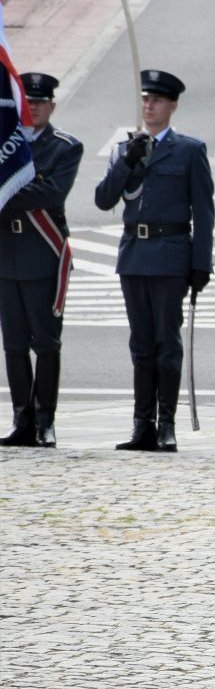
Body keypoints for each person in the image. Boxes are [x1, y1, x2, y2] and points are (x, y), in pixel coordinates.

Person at [94, 69, 214, 453]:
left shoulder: (189, 150)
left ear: (172, 106)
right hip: (134, 255)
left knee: (166, 342)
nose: (149, 105)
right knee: (141, 344)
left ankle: (166, 424)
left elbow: (204, 210)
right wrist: (126, 163)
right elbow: (103, 199)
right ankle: (141, 424)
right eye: (145, 99)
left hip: (170, 254)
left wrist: (201, 263)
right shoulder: (125, 149)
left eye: (157, 100)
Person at [0, 72, 81, 449]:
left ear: (51, 105)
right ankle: (22, 419)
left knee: (46, 341)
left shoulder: (65, 147)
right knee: (14, 343)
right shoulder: (5, 142)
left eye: (40, 102)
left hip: (41, 252)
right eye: (27, 101)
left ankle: (45, 420)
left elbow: (51, 193)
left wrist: (10, 188)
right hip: (6, 253)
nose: (33, 107)